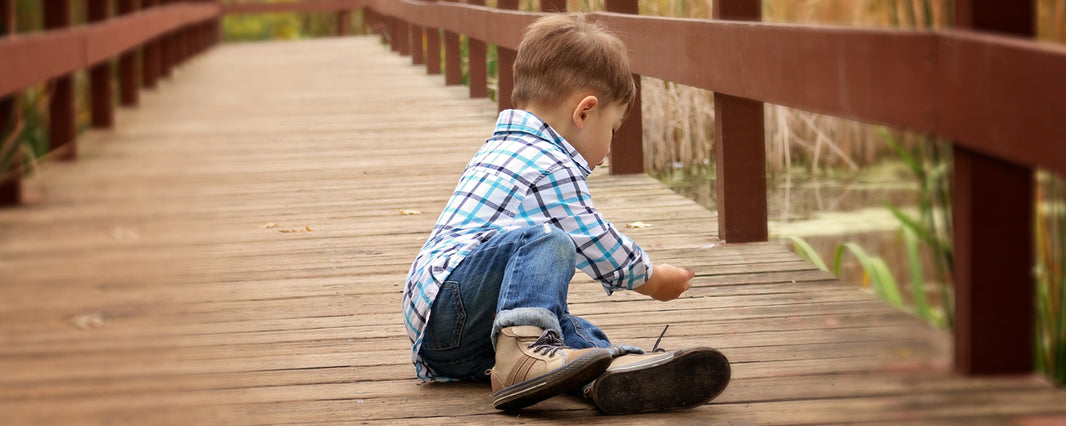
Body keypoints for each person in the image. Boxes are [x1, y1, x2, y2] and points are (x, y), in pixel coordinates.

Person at [402, 13, 729, 414]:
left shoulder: (501, 147)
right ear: (585, 112)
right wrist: (652, 279)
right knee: (547, 239)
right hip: (452, 306)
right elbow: (593, 238)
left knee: (558, 324)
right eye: (612, 128)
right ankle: (531, 356)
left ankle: (603, 369)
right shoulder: (549, 164)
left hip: (452, 334)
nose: (609, 148)